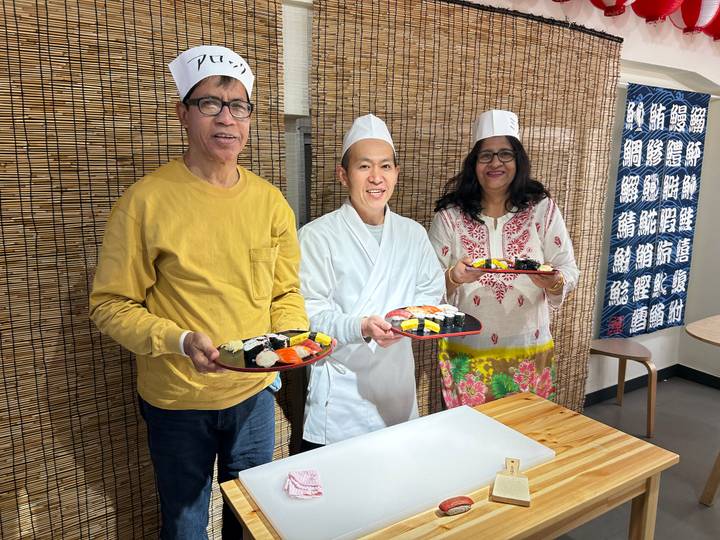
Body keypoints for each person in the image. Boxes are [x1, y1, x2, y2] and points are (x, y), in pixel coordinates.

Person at [89, 45, 307, 539]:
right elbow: (109, 305)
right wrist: (180, 340)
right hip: (177, 398)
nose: (226, 119)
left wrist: (292, 336)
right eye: (210, 103)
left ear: (250, 117)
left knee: (251, 518)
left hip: (253, 395)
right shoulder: (145, 201)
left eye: (238, 106)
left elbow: (285, 291)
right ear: (183, 114)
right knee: (185, 524)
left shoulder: (271, 203)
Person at [298, 114, 445, 449]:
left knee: (399, 494)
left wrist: (407, 324)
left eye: (386, 166)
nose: (377, 177)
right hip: (342, 399)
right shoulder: (316, 237)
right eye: (364, 166)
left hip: (398, 391)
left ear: (396, 173)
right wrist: (361, 326)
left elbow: (431, 294)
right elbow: (308, 315)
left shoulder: (413, 234)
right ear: (343, 175)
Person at [429, 109, 579, 407]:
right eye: (485, 155)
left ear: (518, 159)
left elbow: (568, 269)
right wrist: (453, 278)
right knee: (471, 442)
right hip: (467, 353)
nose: (495, 162)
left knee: (526, 437)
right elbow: (426, 286)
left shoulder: (541, 209)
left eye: (505, 154)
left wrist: (554, 281)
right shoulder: (450, 216)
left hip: (529, 349)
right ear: (474, 163)